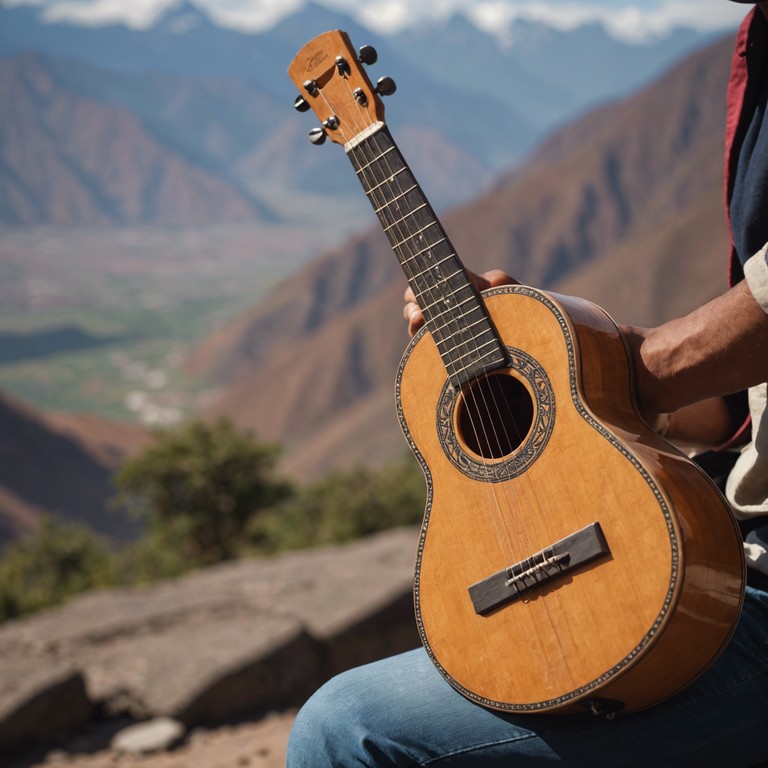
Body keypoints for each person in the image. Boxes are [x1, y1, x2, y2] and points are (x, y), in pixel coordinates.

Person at [286, 3, 768, 765]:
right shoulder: (757, 50)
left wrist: (619, 369)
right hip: (726, 558)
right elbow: (737, 408)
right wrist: (568, 379)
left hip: (748, 607)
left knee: (344, 729)